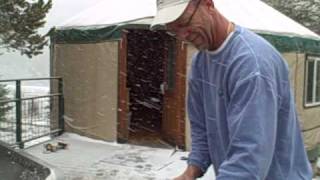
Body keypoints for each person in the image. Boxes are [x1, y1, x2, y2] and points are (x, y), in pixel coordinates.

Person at [151, 0, 313, 179]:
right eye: (173, 30)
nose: (183, 35)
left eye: (185, 22)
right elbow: (202, 131)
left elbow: (249, 157)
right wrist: (190, 173)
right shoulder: (200, 63)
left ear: (208, 4)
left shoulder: (251, 64)